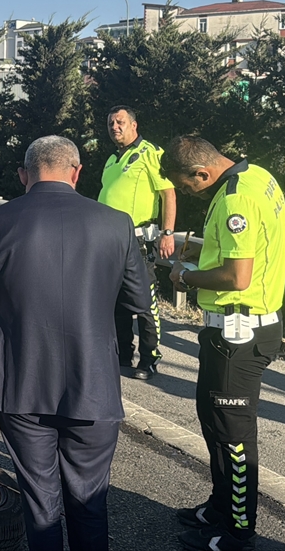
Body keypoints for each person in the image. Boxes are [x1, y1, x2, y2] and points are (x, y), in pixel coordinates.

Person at [0, 136, 149, 551]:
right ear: (77, 172)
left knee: (41, 504)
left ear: (24, 175)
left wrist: (15, 303)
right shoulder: (116, 222)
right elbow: (137, 299)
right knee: (89, 501)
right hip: (94, 384)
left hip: (22, 382)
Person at [162, 136, 285, 551]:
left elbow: (238, 277)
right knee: (212, 419)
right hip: (230, 330)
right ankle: (221, 507)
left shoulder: (235, 201)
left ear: (203, 172)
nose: (185, 192)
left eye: (185, 185)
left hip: (241, 331)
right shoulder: (256, 176)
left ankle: (238, 530)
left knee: (233, 436)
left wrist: (186, 276)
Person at [97, 105, 177, 381]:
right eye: (110, 123)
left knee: (144, 302)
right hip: (110, 241)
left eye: (120, 122)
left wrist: (168, 232)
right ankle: (122, 355)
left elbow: (168, 192)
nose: (114, 127)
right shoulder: (112, 159)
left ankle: (149, 357)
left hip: (139, 240)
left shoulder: (149, 153)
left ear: (134, 125)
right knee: (117, 301)